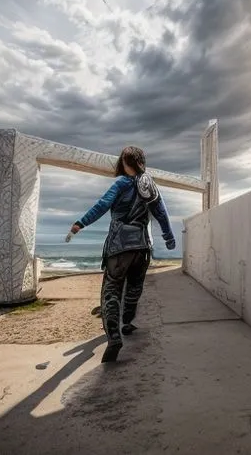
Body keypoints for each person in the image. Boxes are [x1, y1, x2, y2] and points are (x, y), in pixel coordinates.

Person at [68, 146, 176, 363]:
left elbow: (102, 206)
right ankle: (126, 323)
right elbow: (161, 213)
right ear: (142, 162)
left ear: (124, 164)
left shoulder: (121, 183)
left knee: (111, 291)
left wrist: (81, 223)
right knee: (134, 288)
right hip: (142, 248)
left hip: (119, 246)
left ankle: (114, 336)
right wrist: (169, 237)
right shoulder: (150, 185)